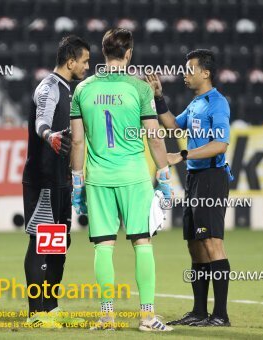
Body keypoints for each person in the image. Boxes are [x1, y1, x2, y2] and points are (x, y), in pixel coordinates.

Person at [70, 28, 173, 332]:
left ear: (103, 53)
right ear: (129, 53)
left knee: (103, 246)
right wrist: (164, 174)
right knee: (142, 242)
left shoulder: (83, 89)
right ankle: (147, 317)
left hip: (99, 178)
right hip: (134, 178)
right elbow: (155, 137)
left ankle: (106, 317)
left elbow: (77, 143)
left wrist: (77, 182)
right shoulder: (139, 89)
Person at [146, 49, 232, 327]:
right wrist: (158, 97)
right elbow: (172, 125)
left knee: (212, 243)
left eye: (190, 68)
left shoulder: (216, 103)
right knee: (195, 246)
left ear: (205, 73)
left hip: (212, 177)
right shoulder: (196, 104)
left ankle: (220, 315)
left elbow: (220, 145)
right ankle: (198, 311)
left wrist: (181, 156)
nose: (185, 73)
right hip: (195, 179)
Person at [22, 35, 90, 327]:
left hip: (60, 179)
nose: (87, 66)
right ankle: (36, 313)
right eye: (85, 61)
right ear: (70, 61)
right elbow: (41, 122)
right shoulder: (49, 87)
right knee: (41, 243)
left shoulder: (67, 89)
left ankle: (50, 307)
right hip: (43, 179)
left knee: (60, 243)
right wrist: (49, 135)